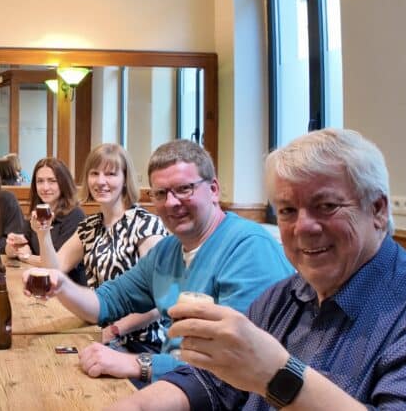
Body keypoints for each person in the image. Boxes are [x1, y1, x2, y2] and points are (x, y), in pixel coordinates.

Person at [111, 129, 406, 410]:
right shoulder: (284, 296)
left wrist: (277, 375)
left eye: (326, 206)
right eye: (288, 211)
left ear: (377, 210)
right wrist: (136, 406)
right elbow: (212, 381)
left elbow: (266, 372)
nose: (303, 227)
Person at [30, 140, 293, 388]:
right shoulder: (167, 251)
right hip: (175, 380)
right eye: (161, 193)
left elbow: (233, 362)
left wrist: (138, 363)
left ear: (214, 189)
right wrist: (61, 285)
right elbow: (105, 303)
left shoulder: (248, 247)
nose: (171, 203)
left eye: (184, 189)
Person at [34, 144, 168, 363]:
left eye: (110, 174)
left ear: (125, 179)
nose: (101, 181)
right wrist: (43, 233)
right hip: (98, 331)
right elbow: (54, 270)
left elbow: (160, 300)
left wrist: (115, 330)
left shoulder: (146, 225)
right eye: (94, 173)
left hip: (140, 345)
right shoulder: (90, 226)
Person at [5, 158, 86, 284]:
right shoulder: (37, 212)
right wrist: (13, 244)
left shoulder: (75, 215)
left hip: (68, 288)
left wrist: (26, 256)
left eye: (52, 181)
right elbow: (11, 251)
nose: (45, 187)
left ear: (63, 183)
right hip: (41, 284)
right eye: (40, 181)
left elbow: (53, 263)